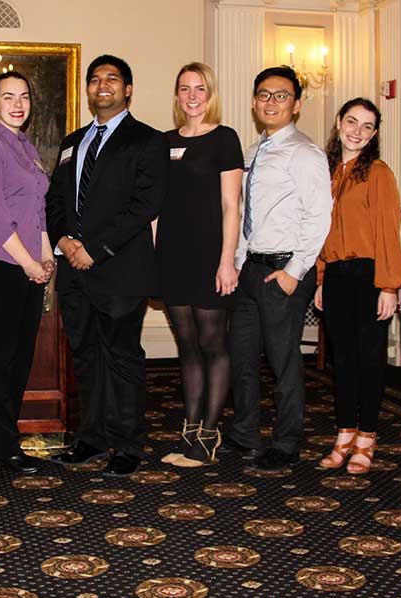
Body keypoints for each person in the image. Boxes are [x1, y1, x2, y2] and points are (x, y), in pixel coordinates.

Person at [46, 55, 168, 477]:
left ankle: (127, 445)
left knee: (121, 358)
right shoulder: (70, 143)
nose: (103, 86)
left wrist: (94, 249)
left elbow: (144, 205)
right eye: (95, 80)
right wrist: (63, 240)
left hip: (118, 270)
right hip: (74, 273)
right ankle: (92, 440)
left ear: (128, 89)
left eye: (112, 79)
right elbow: (55, 201)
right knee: (85, 357)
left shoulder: (148, 141)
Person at [221, 66, 332, 473]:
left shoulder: (305, 152)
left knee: (284, 361)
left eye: (281, 95)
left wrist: (294, 272)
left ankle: (287, 442)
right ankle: (245, 431)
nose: (271, 102)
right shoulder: (253, 151)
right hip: (252, 268)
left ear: (297, 105)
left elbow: (319, 217)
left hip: (285, 269)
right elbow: (247, 212)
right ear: (254, 102)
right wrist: (237, 262)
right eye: (264, 94)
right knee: (243, 355)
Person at [313, 98, 401, 475]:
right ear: (339, 122)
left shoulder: (378, 172)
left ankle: (367, 437)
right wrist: (320, 278)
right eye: (352, 121)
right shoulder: (328, 171)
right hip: (335, 275)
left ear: (375, 134)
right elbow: (321, 230)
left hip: (369, 276)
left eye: (367, 126)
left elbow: (388, 231)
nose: (357, 131)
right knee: (344, 362)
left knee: (369, 361)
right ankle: (344, 434)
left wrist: (389, 286)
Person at [156, 62, 242, 468]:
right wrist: (156, 255)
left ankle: (209, 435)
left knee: (213, 345)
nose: (192, 96)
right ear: (176, 95)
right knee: (187, 347)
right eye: (185, 88)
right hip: (174, 255)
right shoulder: (165, 142)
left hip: (211, 255)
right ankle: (189, 430)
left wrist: (228, 262)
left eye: (200, 89)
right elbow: (157, 207)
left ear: (211, 95)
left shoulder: (225, 139)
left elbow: (231, 206)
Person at [0, 71, 53, 475]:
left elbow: (39, 211)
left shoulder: (26, 147)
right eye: (8, 97)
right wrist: (31, 262)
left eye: (24, 97)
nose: (17, 104)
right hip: (0, 265)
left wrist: (47, 255)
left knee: (20, 358)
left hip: (28, 265)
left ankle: (8, 436)